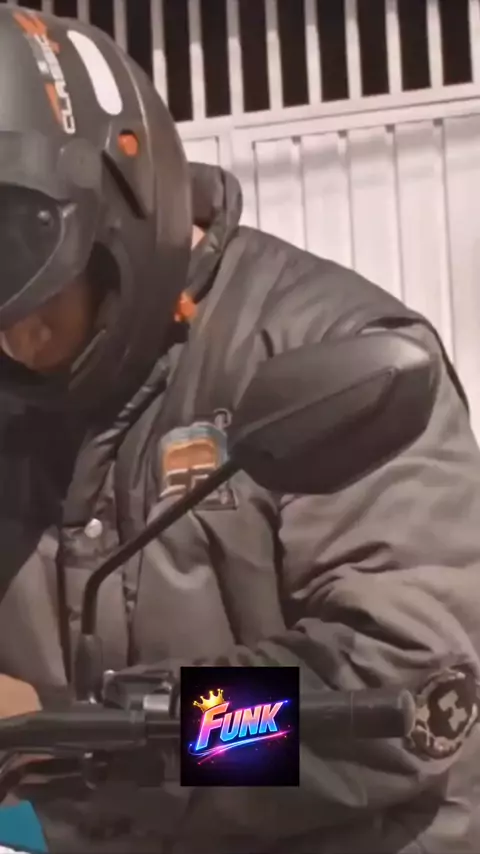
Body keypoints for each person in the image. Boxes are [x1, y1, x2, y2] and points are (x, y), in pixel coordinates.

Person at [0, 5, 479, 853]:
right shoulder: (21, 388)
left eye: (37, 298)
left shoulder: (330, 352)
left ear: (122, 220)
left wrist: (90, 738)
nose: (16, 339)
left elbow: (413, 693)